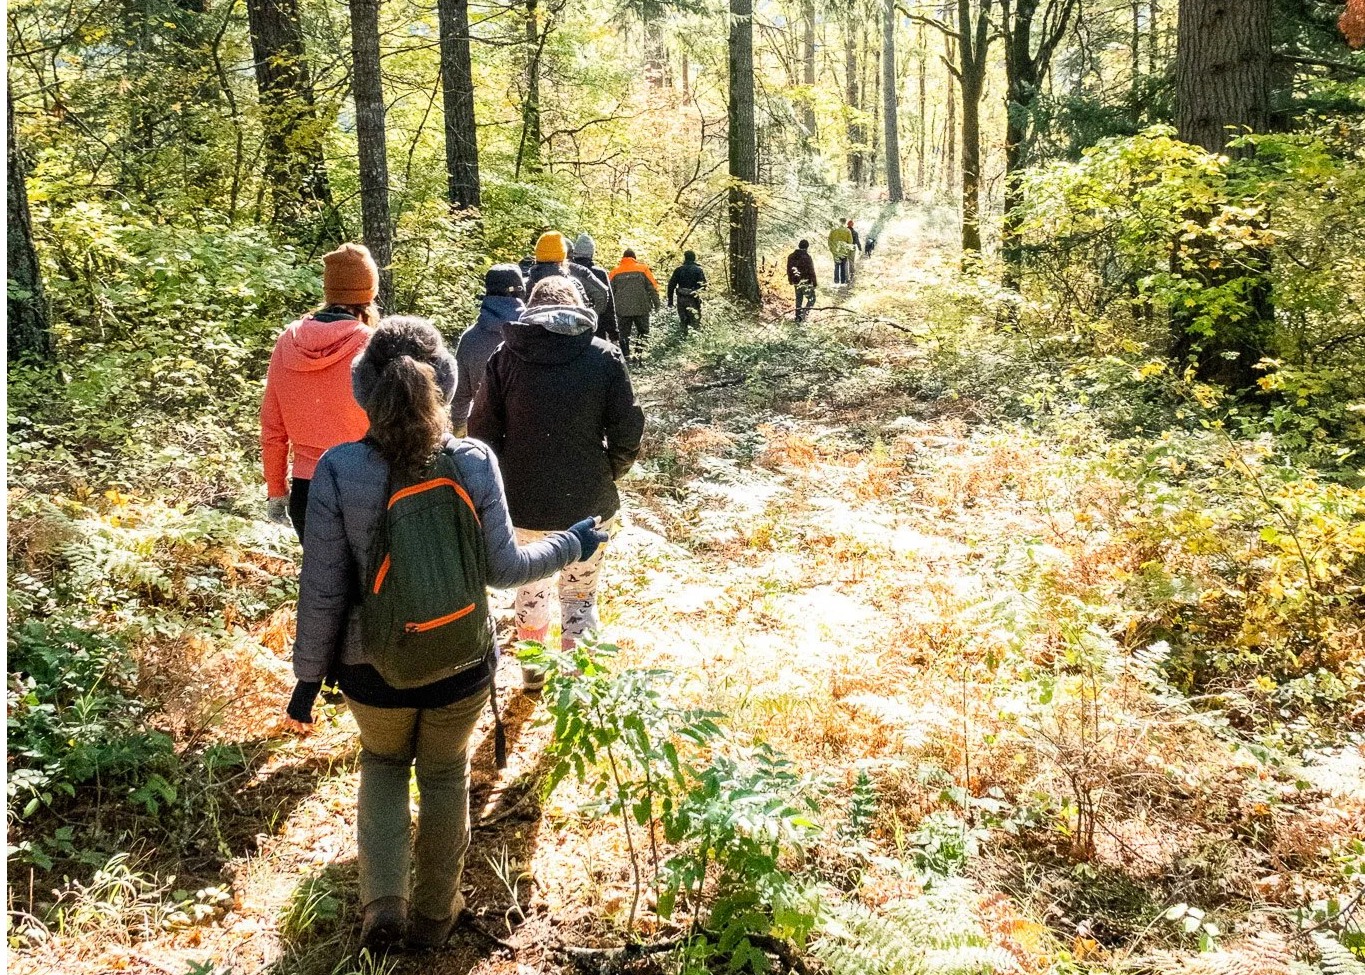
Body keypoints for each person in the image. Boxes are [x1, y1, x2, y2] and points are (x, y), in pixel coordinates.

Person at [285, 316, 607, 951]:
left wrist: (307, 679)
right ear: (447, 384)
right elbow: (505, 569)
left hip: (369, 670)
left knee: (380, 765)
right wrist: (572, 542)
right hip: (460, 662)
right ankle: (436, 915)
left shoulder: (338, 471)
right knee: (444, 773)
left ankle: (383, 908)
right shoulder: (474, 460)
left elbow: (322, 589)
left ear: (361, 389)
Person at [468, 277, 645, 692]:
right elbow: (628, 430)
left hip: (521, 507)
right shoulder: (604, 357)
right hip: (591, 504)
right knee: (580, 596)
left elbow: (481, 435)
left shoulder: (503, 359)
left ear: (530, 310)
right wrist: (610, 471)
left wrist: (498, 487)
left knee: (530, 590)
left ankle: (534, 673)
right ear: (578, 308)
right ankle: (579, 686)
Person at [261, 243, 378, 543]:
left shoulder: (288, 341)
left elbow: (273, 428)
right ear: (369, 293)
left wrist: (276, 491)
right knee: (372, 588)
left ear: (328, 291)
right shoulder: (373, 346)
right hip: (365, 486)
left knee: (321, 587)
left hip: (308, 492)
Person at [450, 264, 525, 437]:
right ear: (520, 291)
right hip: (527, 436)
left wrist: (460, 438)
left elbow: (460, 397)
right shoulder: (534, 332)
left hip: (484, 437)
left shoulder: (469, 338)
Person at [526, 231, 611, 320]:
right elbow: (602, 294)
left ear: (537, 256)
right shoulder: (574, 284)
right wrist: (592, 319)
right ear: (563, 257)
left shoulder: (527, 285)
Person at [609, 248, 661, 363]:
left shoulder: (615, 271)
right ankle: (638, 355)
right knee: (643, 331)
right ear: (634, 258)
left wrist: (610, 310)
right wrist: (657, 304)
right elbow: (652, 287)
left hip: (622, 309)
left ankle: (626, 356)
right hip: (641, 307)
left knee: (623, 333)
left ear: (623, 258)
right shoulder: (643, 269)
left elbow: (609, 291)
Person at [571, 233, 620, 347]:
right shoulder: (599, 273)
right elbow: (609, 306)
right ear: (592, 253)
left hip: (573, 328)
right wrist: (614, 334)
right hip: (597, 327)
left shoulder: (567, 271)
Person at [667, 250, 707, 336]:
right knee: (695, 322)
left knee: (683, 321)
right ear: (694, 258)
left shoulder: (678, 270)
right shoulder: (698, 270)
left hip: (681, 299)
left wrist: (670, 301)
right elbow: (703, 286)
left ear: (685, 258)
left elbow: (671, 286)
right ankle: (694, 341)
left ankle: (683, 339)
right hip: (693, 299)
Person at [785, 239, 818, 323]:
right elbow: (811, 270)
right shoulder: (807, 257)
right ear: (807, 247)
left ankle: (797, 317)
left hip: (796, 281)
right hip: (806, 281)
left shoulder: (791, 256)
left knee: (799, 299)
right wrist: (814, 282)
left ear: (799, 246)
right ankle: (804, 314)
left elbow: (789, 269)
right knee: (812, 299)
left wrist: (790, 279)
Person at [828, 220, 854, 286]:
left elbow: (829, 241)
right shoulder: (847, 231)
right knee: (843, 266)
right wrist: (847, 250)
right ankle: (842, 281)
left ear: (839, 222)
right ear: (845, 222)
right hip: (844, 251)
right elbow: (850, 242)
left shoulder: (833, 230)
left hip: (835, 250)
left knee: (836, 265)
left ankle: (836, 281)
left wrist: (832, 249)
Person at [846, 219, 862, 284]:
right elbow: (857, 241)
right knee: (851, 260)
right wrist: (860, 248)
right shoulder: (855, 232)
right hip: (852, 247)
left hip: (845, 247)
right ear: (852, 225)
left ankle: (845, 274)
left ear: (847, 224)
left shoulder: (844, 232)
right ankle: (852, 273)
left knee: (845, 260)